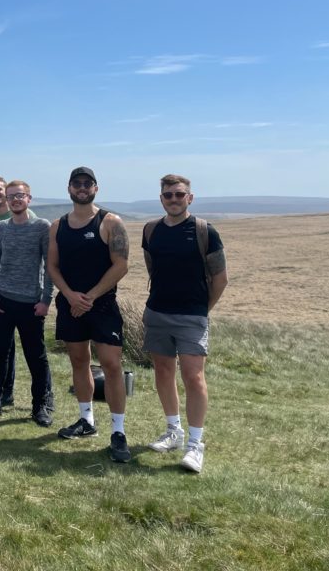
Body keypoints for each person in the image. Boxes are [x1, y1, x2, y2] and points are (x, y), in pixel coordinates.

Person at [143, 174, 228, 474]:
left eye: (180, 194)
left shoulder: (206, 231)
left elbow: (220, 278)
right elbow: (153, 266)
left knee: (194, 378)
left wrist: (202, 310)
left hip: (192, 316)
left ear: (190, 198)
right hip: (157, 312)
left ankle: (195, 445)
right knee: (163, 372)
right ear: (161, 198)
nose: (174, 199)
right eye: (168, 195)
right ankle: (173, 431)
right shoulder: (151, 230)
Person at [48, 167, 132, 463]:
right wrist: (71, 296)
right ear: (69, 188)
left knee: (111, 365)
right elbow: (52, 266)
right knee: (79, 361)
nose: (81, 188)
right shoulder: (58, 226)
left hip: (103, 304)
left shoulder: (110, 222)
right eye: (76, 183)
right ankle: (86, 421)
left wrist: (91, 296)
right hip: (70, 304)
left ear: (96, 187)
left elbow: (120, 265)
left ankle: (118, 432)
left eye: (87, 183)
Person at [0, 180, 56, 426]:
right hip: (3, 301)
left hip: (31, 303)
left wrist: (45, 300)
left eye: (20, 196)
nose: (15, 200)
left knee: (36, 356)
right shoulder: (1, 228)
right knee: (0, 353)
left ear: (29, 198)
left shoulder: (42, 226)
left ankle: (39, 405)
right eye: (11, 197)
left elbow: (50, 266)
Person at [0, 175, 37, 407]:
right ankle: (3, 393)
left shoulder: (29, 218)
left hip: (20, 292)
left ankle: (19, 394)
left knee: (31, 349)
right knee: (0, 346)